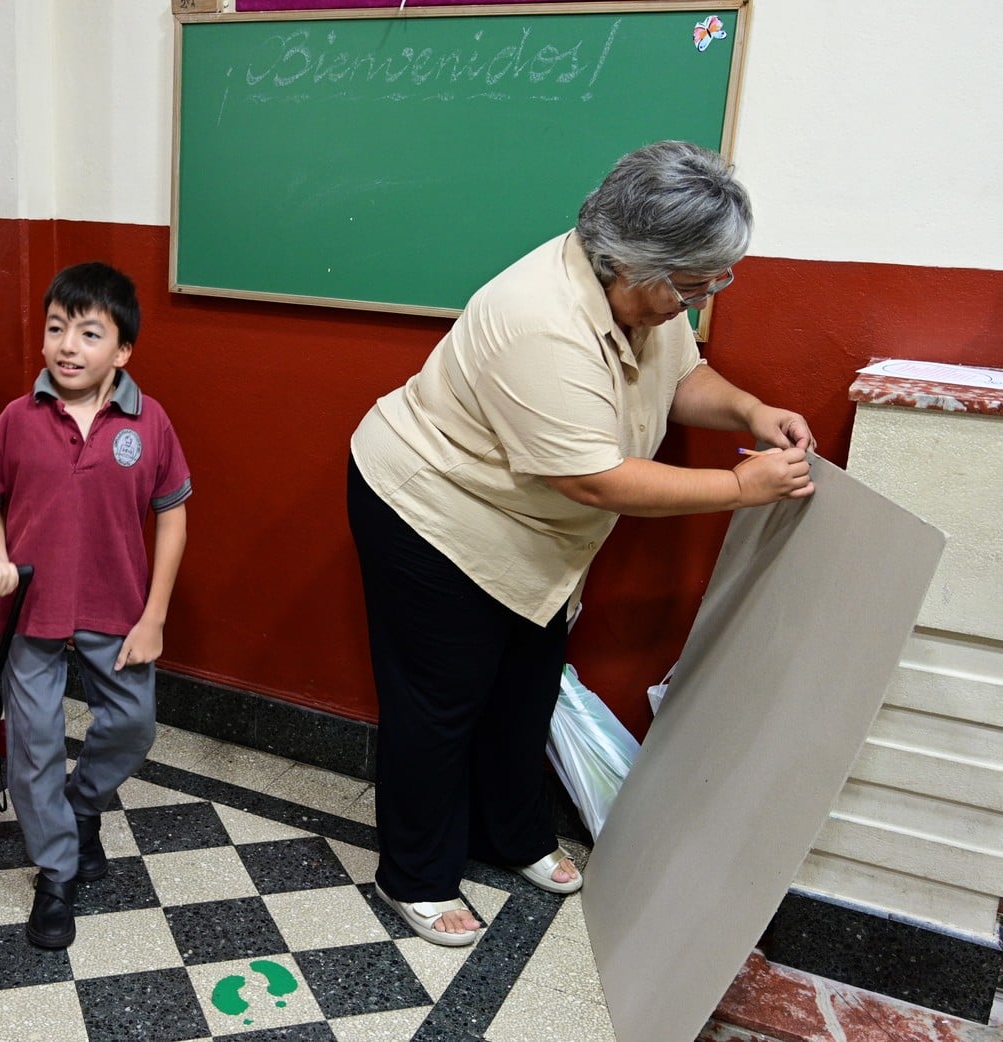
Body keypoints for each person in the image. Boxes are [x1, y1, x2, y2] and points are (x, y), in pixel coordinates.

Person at [346, 141, 815, 947]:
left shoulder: (644, 294)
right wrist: (740, 489)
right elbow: (593, 479)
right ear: (637, 263)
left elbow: (680, 378)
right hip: (432, 512)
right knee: (440, 701)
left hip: (528, 527)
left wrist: (747, 412)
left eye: (713, 280)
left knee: (526, 684)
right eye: (696, 283)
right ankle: (414, 875)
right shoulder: (538, 320)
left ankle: (510, 833)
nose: (700, 299)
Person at [0, 262, 191, 950]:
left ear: (121, 351)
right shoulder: (16, 419)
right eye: (57, 328)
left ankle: (80, 808)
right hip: (31, 611)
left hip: (117, 607)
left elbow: (173, 518)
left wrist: (153, 617)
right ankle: (56, 871)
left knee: (132, 723)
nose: (68, 345)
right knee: (32, 745)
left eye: (89, 333)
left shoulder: (148, 423)